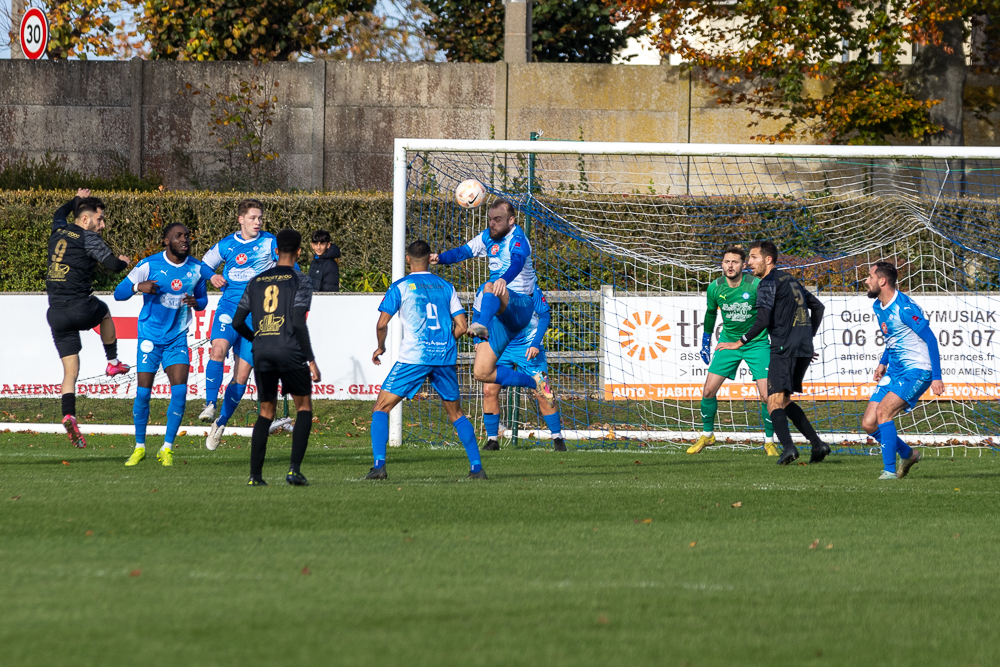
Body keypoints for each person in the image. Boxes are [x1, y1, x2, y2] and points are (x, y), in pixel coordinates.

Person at [365, 240, 485, 480]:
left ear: (408, 259)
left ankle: (379, 466)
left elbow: (381, 323)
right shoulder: (446, 287)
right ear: (430, 257)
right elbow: (462, 326)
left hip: (414, 358)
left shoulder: (401, 286)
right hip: (444, 356)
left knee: (381, 408)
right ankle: (477, 468)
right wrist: (444, 342)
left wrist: (380, 347)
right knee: (456, 414)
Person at [717, 240, 829, 465]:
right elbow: (818, 307)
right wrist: (807, 338)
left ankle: (788, 448)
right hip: (802, 349)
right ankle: (818, 444)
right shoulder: (790, 279)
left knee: (772, 402)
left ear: (768, 260)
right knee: (784, 400)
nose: (749, 263)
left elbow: (763, 320)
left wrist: (740, 342)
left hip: (783, 348)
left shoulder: (767, 283)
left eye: (754, 257)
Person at [430, 198, 552, 401]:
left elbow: (517, 261)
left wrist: (504, 279)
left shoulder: (518, 238)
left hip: (521, 304)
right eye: (490, 220)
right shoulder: (488, 237)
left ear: (511, 220)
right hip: (501, 311)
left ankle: (481, 326)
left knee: (490, 287)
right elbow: (463, 252)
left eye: (498, 220)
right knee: (481, 373)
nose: (492, 224)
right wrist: (439, 258)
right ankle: (536, 382)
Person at [114, 223, 208, 467]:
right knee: (144, 393)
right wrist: (138, 287)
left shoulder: (197, 269)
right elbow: (119, 292)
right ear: (167, 241)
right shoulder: (149, 265)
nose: (184, 239)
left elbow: (203, 300)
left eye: (187, 235)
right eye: (178, 236)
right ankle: (140, 447)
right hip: (150, 337)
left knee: (179, 392)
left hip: (177, 338)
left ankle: (166, 448)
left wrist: (196, 303)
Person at [232, 228, 320, 486]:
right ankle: (293, 470)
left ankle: (255, 476)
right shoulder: (301, 280)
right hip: (290, 349)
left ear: (276, 250)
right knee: (303, 407)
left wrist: (257, 339)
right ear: (299, 252)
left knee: (266, 412)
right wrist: (311, 359)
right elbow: (297, 321)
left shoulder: (256, 281)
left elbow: (237, 322)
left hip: (262, 352)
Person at [46, 188, 131, 448]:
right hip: (79, 307)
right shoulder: (88, 238)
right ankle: (113, 362)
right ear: (85, 219)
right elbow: (112, 265)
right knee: (104, 311)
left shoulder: (58, 229)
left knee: (70, 371)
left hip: (55, 314)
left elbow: (60, 213)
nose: (102, 225)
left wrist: (75, 200)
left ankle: (68, 414)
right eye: (100, 219)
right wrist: (124, 261)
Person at [199, 199, 281, 448]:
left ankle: (221, 423)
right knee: (217, 350)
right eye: (253, 218)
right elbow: (203, 264)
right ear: (241, 219)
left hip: (258, 315)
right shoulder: (227, 245)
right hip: (230, 308)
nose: (258, 222)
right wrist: (212, 276)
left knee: (242, 375)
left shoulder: (270, 242)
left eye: (260, 218)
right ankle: (211, 404)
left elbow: (289, 263)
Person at [688, 245, 776, 456]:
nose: (730, 265)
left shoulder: (756, 285)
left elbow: (768, 316)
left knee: (767, 395)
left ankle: (769, 441)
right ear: (722, 264)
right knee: (708, 391)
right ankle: (708, 436)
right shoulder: (715, 287)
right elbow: (711, 314)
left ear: (743, 265)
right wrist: (706, 340)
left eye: (735, 262)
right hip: (728, 342)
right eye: (727, 261)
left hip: (756, 343)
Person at [861, 262, 943, 480]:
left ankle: (889, 472)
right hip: (895, 370)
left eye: (869, 277)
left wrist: (936, 377)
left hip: (917, 371)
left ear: (882, 281)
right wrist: (883, 362)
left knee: (883, 413)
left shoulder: (905, 308)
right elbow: (893, 338)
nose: (866, 281)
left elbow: (931, 340)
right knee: (869, 423)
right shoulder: (879, 306)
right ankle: (908, 454)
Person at [481, 287, 566, 452]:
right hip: (501, 345)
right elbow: (480, 314)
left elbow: (545, 315)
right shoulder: (489, 287)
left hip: (528, 345)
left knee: (543, 389)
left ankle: (558, 439)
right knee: (489, 390)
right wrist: (480, 340)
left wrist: (535, 343)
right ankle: (492, 441)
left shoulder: (530, 287)